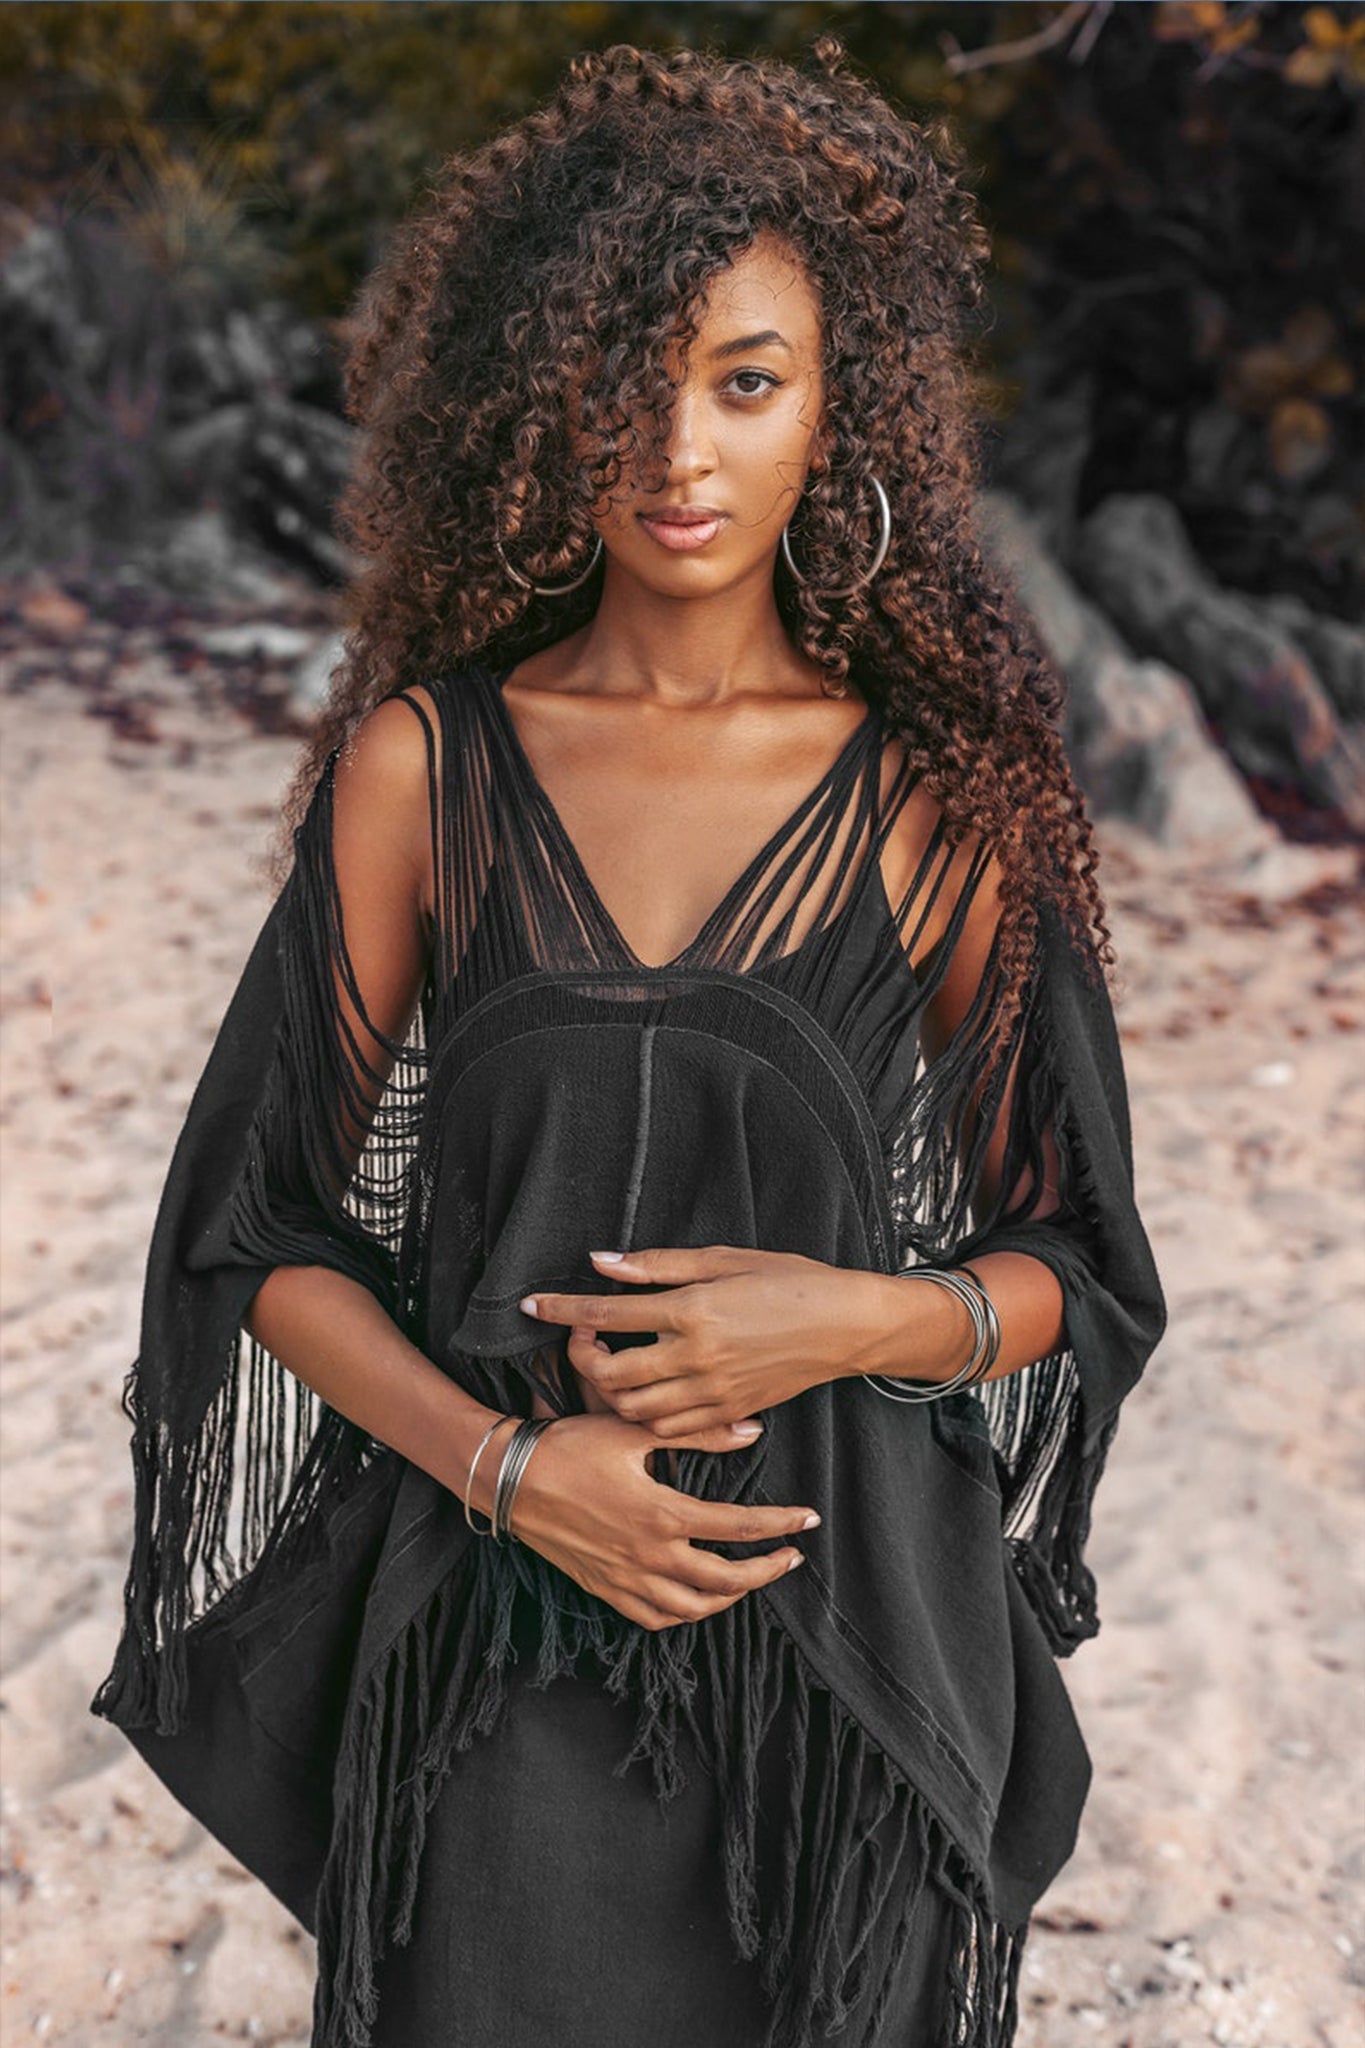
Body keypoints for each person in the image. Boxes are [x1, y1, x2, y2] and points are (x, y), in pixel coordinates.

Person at [90, 36, 1165, 2048]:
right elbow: (259, 1234)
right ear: (531, 404)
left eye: (742, 379)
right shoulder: (426, 771)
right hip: (492, 1656)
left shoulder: (940, 808)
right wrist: (508, 1468)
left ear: (832, 400)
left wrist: (843, 1320)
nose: (679, 445)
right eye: (623, 380)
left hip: (852, 1651)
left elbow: (1078, 1268)